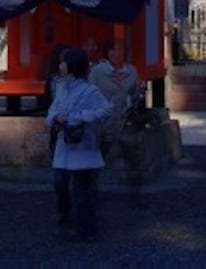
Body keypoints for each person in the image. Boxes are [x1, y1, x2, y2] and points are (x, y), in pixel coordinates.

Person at [45, 47, 111, 242]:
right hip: (64, 142)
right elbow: (51, 112)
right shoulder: (60, 87)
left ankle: (86, 228)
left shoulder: (89, 90)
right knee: (60, 182)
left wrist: (80, 117)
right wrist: (56, 117)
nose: (60, 65)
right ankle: (66, 217)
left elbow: (105, 110)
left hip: (82, 143)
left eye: (64, 62)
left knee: (82, 189)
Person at [89, 40, 143, 160]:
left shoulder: (132, 71)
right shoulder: (97, 71)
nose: (116, 53)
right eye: (112, 49)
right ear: (107, 52)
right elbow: (89, 95)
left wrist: (140, 91)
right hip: (101, 122)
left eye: (120, 50)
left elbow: (135, 95)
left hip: (121, 122)